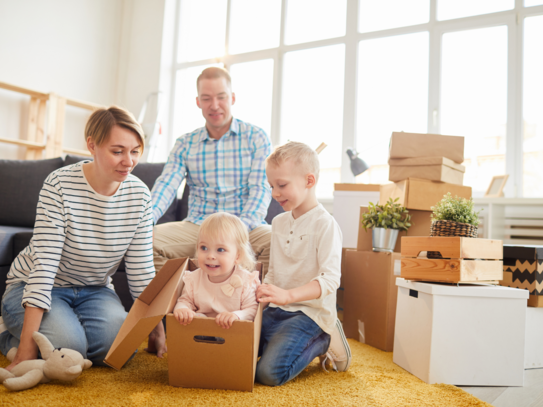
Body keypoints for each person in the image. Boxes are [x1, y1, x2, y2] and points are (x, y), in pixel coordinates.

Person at [0, 106, 166, 370]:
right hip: (38, 286)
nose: (129, 161)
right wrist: (25, 349)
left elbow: (141, 271)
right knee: (69, 350)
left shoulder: (140, 196)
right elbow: (44, 267)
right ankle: (8, 335)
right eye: (117, 151)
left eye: (135, 151)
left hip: (95, 290)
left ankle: (67, 324)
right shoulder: (58, 185)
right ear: (92, 145)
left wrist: (156, 327)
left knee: (119, 349)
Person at [151, 67, 272, 277]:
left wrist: (237, 231)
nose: (214, 105)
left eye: (221, 97)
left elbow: (260, 188)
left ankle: (254, 307)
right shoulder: (185, 143)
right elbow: (166, 185)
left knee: (278, 243)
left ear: (232, 98)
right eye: (206, 98)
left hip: (246, 227)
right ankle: (185, 302)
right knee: (146, 242)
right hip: (198, 227)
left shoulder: (256, 137)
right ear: (198, 101)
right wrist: (145, 220)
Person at [255, 141, 352, 387]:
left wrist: (288, 295)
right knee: (234, 352)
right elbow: (274, 271)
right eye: (272, 186)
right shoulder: (277, 222)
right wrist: (261, 298)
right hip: (277, 310)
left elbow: (331, 280)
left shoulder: (325, 225)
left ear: (309, 181)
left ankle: (324, 339)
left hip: (310, 314)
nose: (275, 193)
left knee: (267, 373)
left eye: (282, 185)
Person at [173, 212, 259, 329]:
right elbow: (185, 300)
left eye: (220, 249)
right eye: (204, 248)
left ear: (237, 256)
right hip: (200, 331)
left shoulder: (246, 281)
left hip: (231, 332)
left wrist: (236, 315)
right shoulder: (193, 278)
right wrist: (182, 309)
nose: (210, 256)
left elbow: (252, 310)